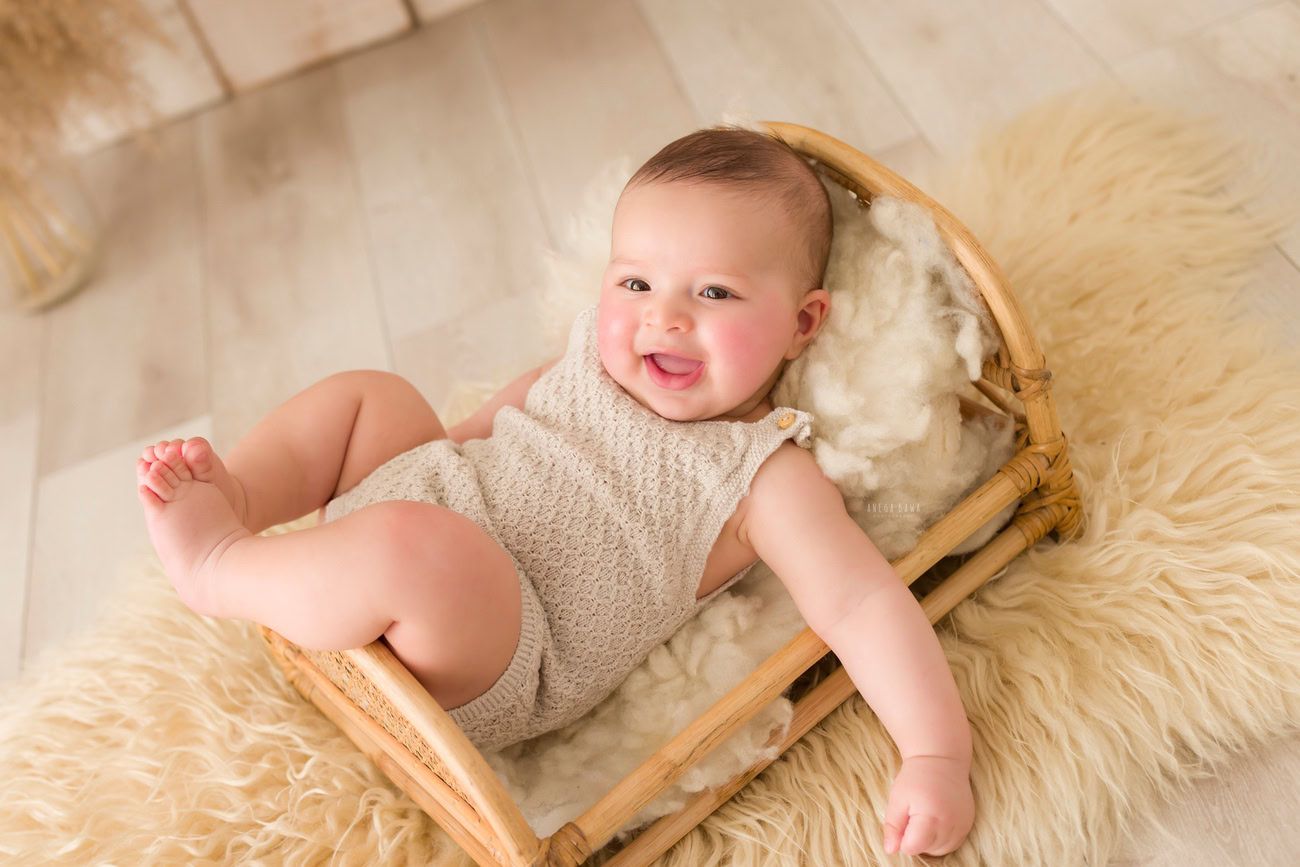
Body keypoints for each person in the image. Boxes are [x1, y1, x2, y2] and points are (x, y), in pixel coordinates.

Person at [135, 125, 974, 856]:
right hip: (433, 517)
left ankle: (218, 563)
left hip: (501, 644)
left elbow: (863, 605)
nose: (664, 317)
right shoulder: (590, 355)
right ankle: (243, 497)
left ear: (803, 323)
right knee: (373, 395)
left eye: (714, 292)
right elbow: (496, 427)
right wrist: (414, 474)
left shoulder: (760, 476)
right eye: (636, 283)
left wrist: (935, 754)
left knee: (418, 548)